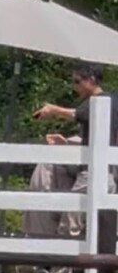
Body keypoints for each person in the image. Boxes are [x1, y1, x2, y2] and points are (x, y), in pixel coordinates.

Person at [24, 64, 118, 241]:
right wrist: (66, 143)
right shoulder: (96, 103)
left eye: (77, 82)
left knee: (71, 219)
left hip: (99, 171)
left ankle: (60, 263)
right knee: (50, 169)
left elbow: (80, 115)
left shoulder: (106, 100)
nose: (74, 87)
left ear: (91, 80)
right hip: (92, 167)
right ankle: (47, 245)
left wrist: (54, 111)